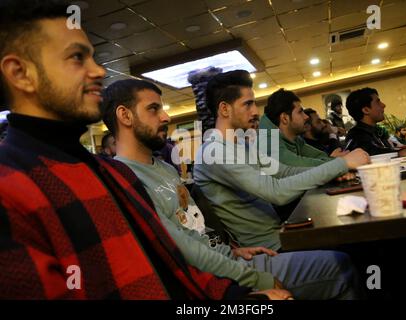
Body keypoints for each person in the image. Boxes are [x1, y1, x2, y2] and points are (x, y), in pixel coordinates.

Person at [0, 0, 278, 300]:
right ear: (21, 73)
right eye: (77, 57)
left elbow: (173, 263)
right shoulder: (10, 189)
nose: (97, 71)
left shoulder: (112, 172)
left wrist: (242, 300)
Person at [101, 79, 361, 300]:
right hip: (217, 277)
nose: (167, 117)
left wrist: (232, 250)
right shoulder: (125, 178)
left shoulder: (166, 168)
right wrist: (256, 278)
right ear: (125, 116)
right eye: (154, 109)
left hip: (233, 258)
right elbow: (181, 249)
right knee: (344, 265)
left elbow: (195, 229)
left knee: (349, 251)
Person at [193, 70, 369, 251]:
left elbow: (284, 171)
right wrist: (342, 164)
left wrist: (334, 171)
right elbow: (276, 191)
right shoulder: (215, 152)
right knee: (349, 253)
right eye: (248, 104)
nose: (255, 111)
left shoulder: (242, 146)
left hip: (281, 232)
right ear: (224, 109)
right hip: (268, 248)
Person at [259, 89, 346, 168]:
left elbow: (319, 156)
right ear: (285, 118)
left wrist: (332, 161)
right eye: (300, 112)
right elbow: (297, 166)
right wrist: (339, 162)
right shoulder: (267, 142)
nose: (306, 117)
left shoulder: (296, 139)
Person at [345, 88, 406, 156]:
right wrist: (405, 152)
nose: (383, 105)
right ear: (366, 110)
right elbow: (373, 153)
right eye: (378, 102)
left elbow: (392, 146)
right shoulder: (357, 137)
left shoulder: (376, 131)